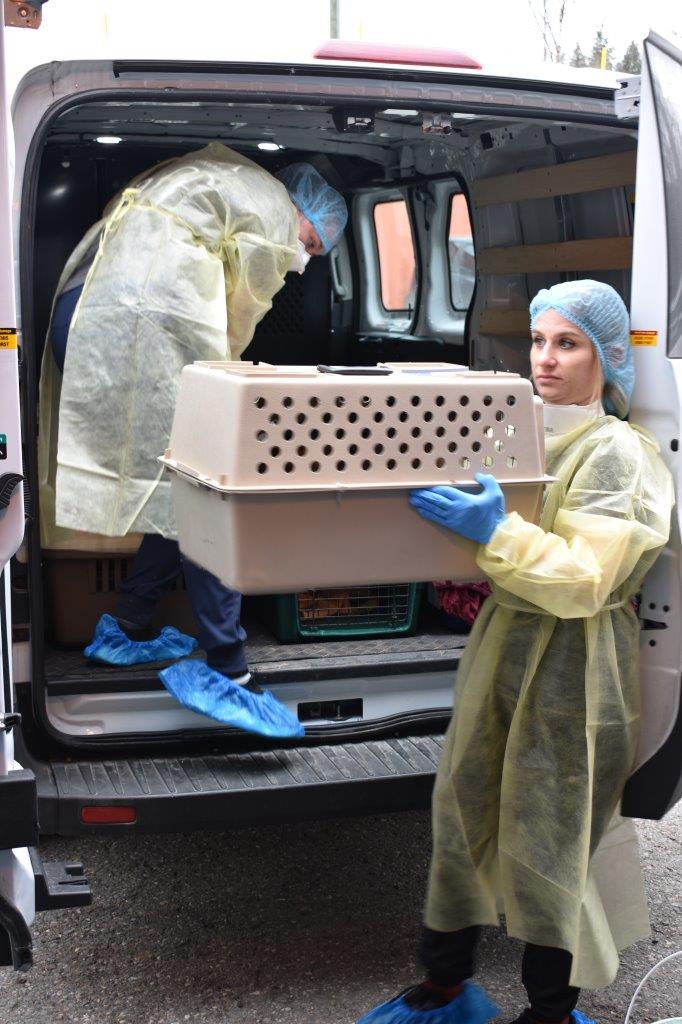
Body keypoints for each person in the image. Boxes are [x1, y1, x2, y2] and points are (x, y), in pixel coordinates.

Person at [356, 280, 674, 1024]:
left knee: (552, 834)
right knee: (461, 808)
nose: (546, 360)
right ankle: (443, 986)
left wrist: (496, 535)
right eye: (537, 341)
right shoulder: (518, 432)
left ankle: (550, 1011)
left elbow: (584, 582)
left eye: (568, 344)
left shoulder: (618, 454)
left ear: (607, 357)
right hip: (502, 649)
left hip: (576, 666)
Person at [37, 145, 347, 739]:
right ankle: (228, 669)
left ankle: (126, 627)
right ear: (303, 209)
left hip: (93, 311)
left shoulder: (235, 183)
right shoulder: (274, 214)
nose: (303, 260)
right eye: (311, 244)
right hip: (139, 321)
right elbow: (241, 314)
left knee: (175, 479)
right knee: (209, 482)